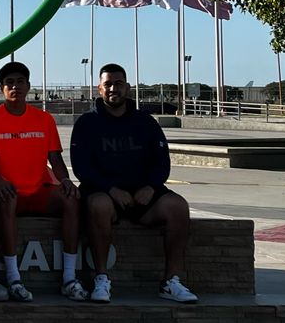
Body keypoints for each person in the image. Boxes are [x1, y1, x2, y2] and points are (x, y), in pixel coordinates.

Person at [71, 64, 198, 305]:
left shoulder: (145, 122)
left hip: (143, 195)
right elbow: (82, 168)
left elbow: (161, 162)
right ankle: (101, 278)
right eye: (108, 84)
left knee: (178, 207)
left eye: (118, 84)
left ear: (127, 87)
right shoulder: (86, 123)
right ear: (99, 88)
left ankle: (171, 281)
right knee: (98, 204)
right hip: (105, 193)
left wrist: (150, 187)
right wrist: (111, 189)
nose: (113, 89)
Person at [0, 62, 86, 302]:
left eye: (19, 81)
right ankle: (14, 278)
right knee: (7, 198)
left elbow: (55, 158)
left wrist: (66, 180)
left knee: (71, 199)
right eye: (9, 83)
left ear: (28, 85)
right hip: (8, 192)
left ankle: (69, 277)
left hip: (39, 190)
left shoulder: (44, 119)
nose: (15, 86)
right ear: (2, 88)